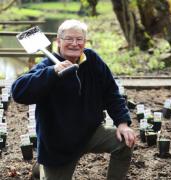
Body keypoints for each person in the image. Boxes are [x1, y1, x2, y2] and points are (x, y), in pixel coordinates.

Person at [11, 19, 136, 180]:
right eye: (69, 39)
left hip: (91, 132)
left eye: (79, 39)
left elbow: (111, 92)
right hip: (59, 144)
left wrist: (123, 123)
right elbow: (18, 92)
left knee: (124, 142)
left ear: (85, 42)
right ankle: (42, 168)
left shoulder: (92, 60)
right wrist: (52, 72)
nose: (74, 43)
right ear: (58, 41)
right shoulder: (46, 66)